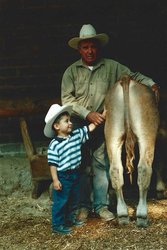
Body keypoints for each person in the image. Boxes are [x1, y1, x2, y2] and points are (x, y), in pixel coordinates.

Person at [61, 24, 160, 222]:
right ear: (79, 49)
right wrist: (87, 113)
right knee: (80, 165)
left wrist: (151, 83)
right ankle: (83, 207)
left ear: (98, 47)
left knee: (101, 163)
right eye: (85, 47)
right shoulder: (71, 72)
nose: (90, 51)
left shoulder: (113, 66)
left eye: (93, 47)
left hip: (104, 122)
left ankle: (101, 205)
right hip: (79, 123)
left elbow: (133, 75)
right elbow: (67, 100)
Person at [44, 103, 102, 234]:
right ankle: (57, 225)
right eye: (66, 121)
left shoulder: (76, 135)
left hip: (75, 173)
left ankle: (69, 220)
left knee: (74, 199)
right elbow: (52, 164)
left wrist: (102, 117)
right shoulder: (54, 145)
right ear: (57, 126)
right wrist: (55, 180)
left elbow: (89, 128)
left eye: (70, 120)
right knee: (61, 201)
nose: (70, 123)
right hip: (62, 176)